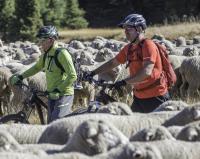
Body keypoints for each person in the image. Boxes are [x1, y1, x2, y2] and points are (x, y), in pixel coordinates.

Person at [85, 14, 170, 113]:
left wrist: (124, 82)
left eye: (128, 28)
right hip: (139, 96)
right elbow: (113, 63)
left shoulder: (148, 45)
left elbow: (146, 71)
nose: (125, 32)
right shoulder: (129, 48)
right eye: (124, 29)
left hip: (156, 96)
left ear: (139, 29)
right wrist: (92, 73)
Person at [9, 25, 77, 123]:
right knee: (50, 124)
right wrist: (21, 76)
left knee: (56, 123)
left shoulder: (62, 54)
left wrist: (58, 90)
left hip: (64, 94)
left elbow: (72, 75)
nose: (40, 43)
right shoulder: (46, 54)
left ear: (50, 40)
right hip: (51, 94)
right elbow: (36, 67)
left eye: (42, 40)